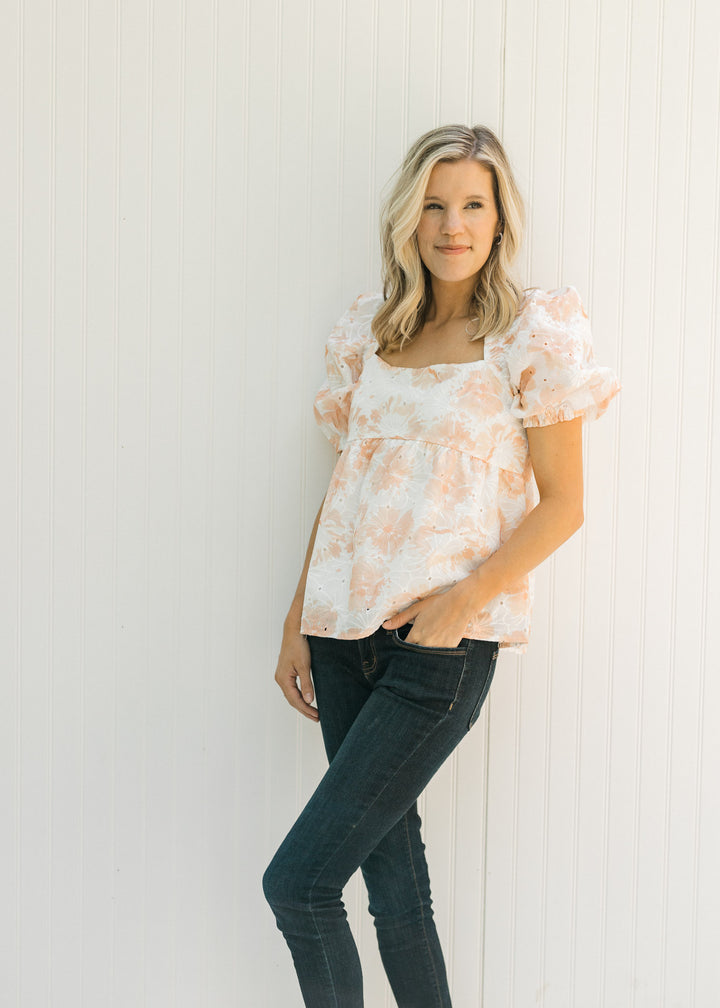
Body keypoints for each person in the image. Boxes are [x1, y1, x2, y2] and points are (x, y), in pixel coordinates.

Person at [262, 124, 619, 1008]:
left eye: (471, 204)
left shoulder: (533, 331)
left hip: (439, 651)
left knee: (298, 885)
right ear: (406, 217)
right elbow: (344, 489)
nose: (450, 224)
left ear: (500, 220)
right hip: (340, 638)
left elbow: (565, 505)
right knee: (395, 890)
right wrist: (295, 623)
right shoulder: (373, 329)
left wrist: (462, 602)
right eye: (432, 204)